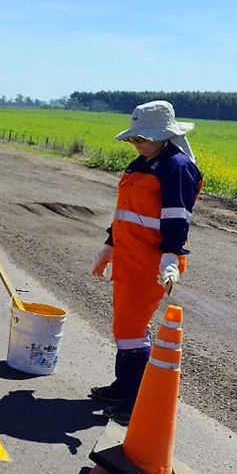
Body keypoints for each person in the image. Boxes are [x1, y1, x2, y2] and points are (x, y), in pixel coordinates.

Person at [90, 100, 202, 424]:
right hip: (128, 258)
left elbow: (177, 218)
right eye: (134, 139)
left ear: (164, 136)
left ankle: (136, 399)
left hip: (151, 264)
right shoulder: (139, 165)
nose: (136, 144)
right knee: (126, 327)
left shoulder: (176, 167)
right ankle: (124, 385)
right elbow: (125, 212)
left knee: (130, 328)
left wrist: (170, 258)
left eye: (142, 138)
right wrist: (109, 248)